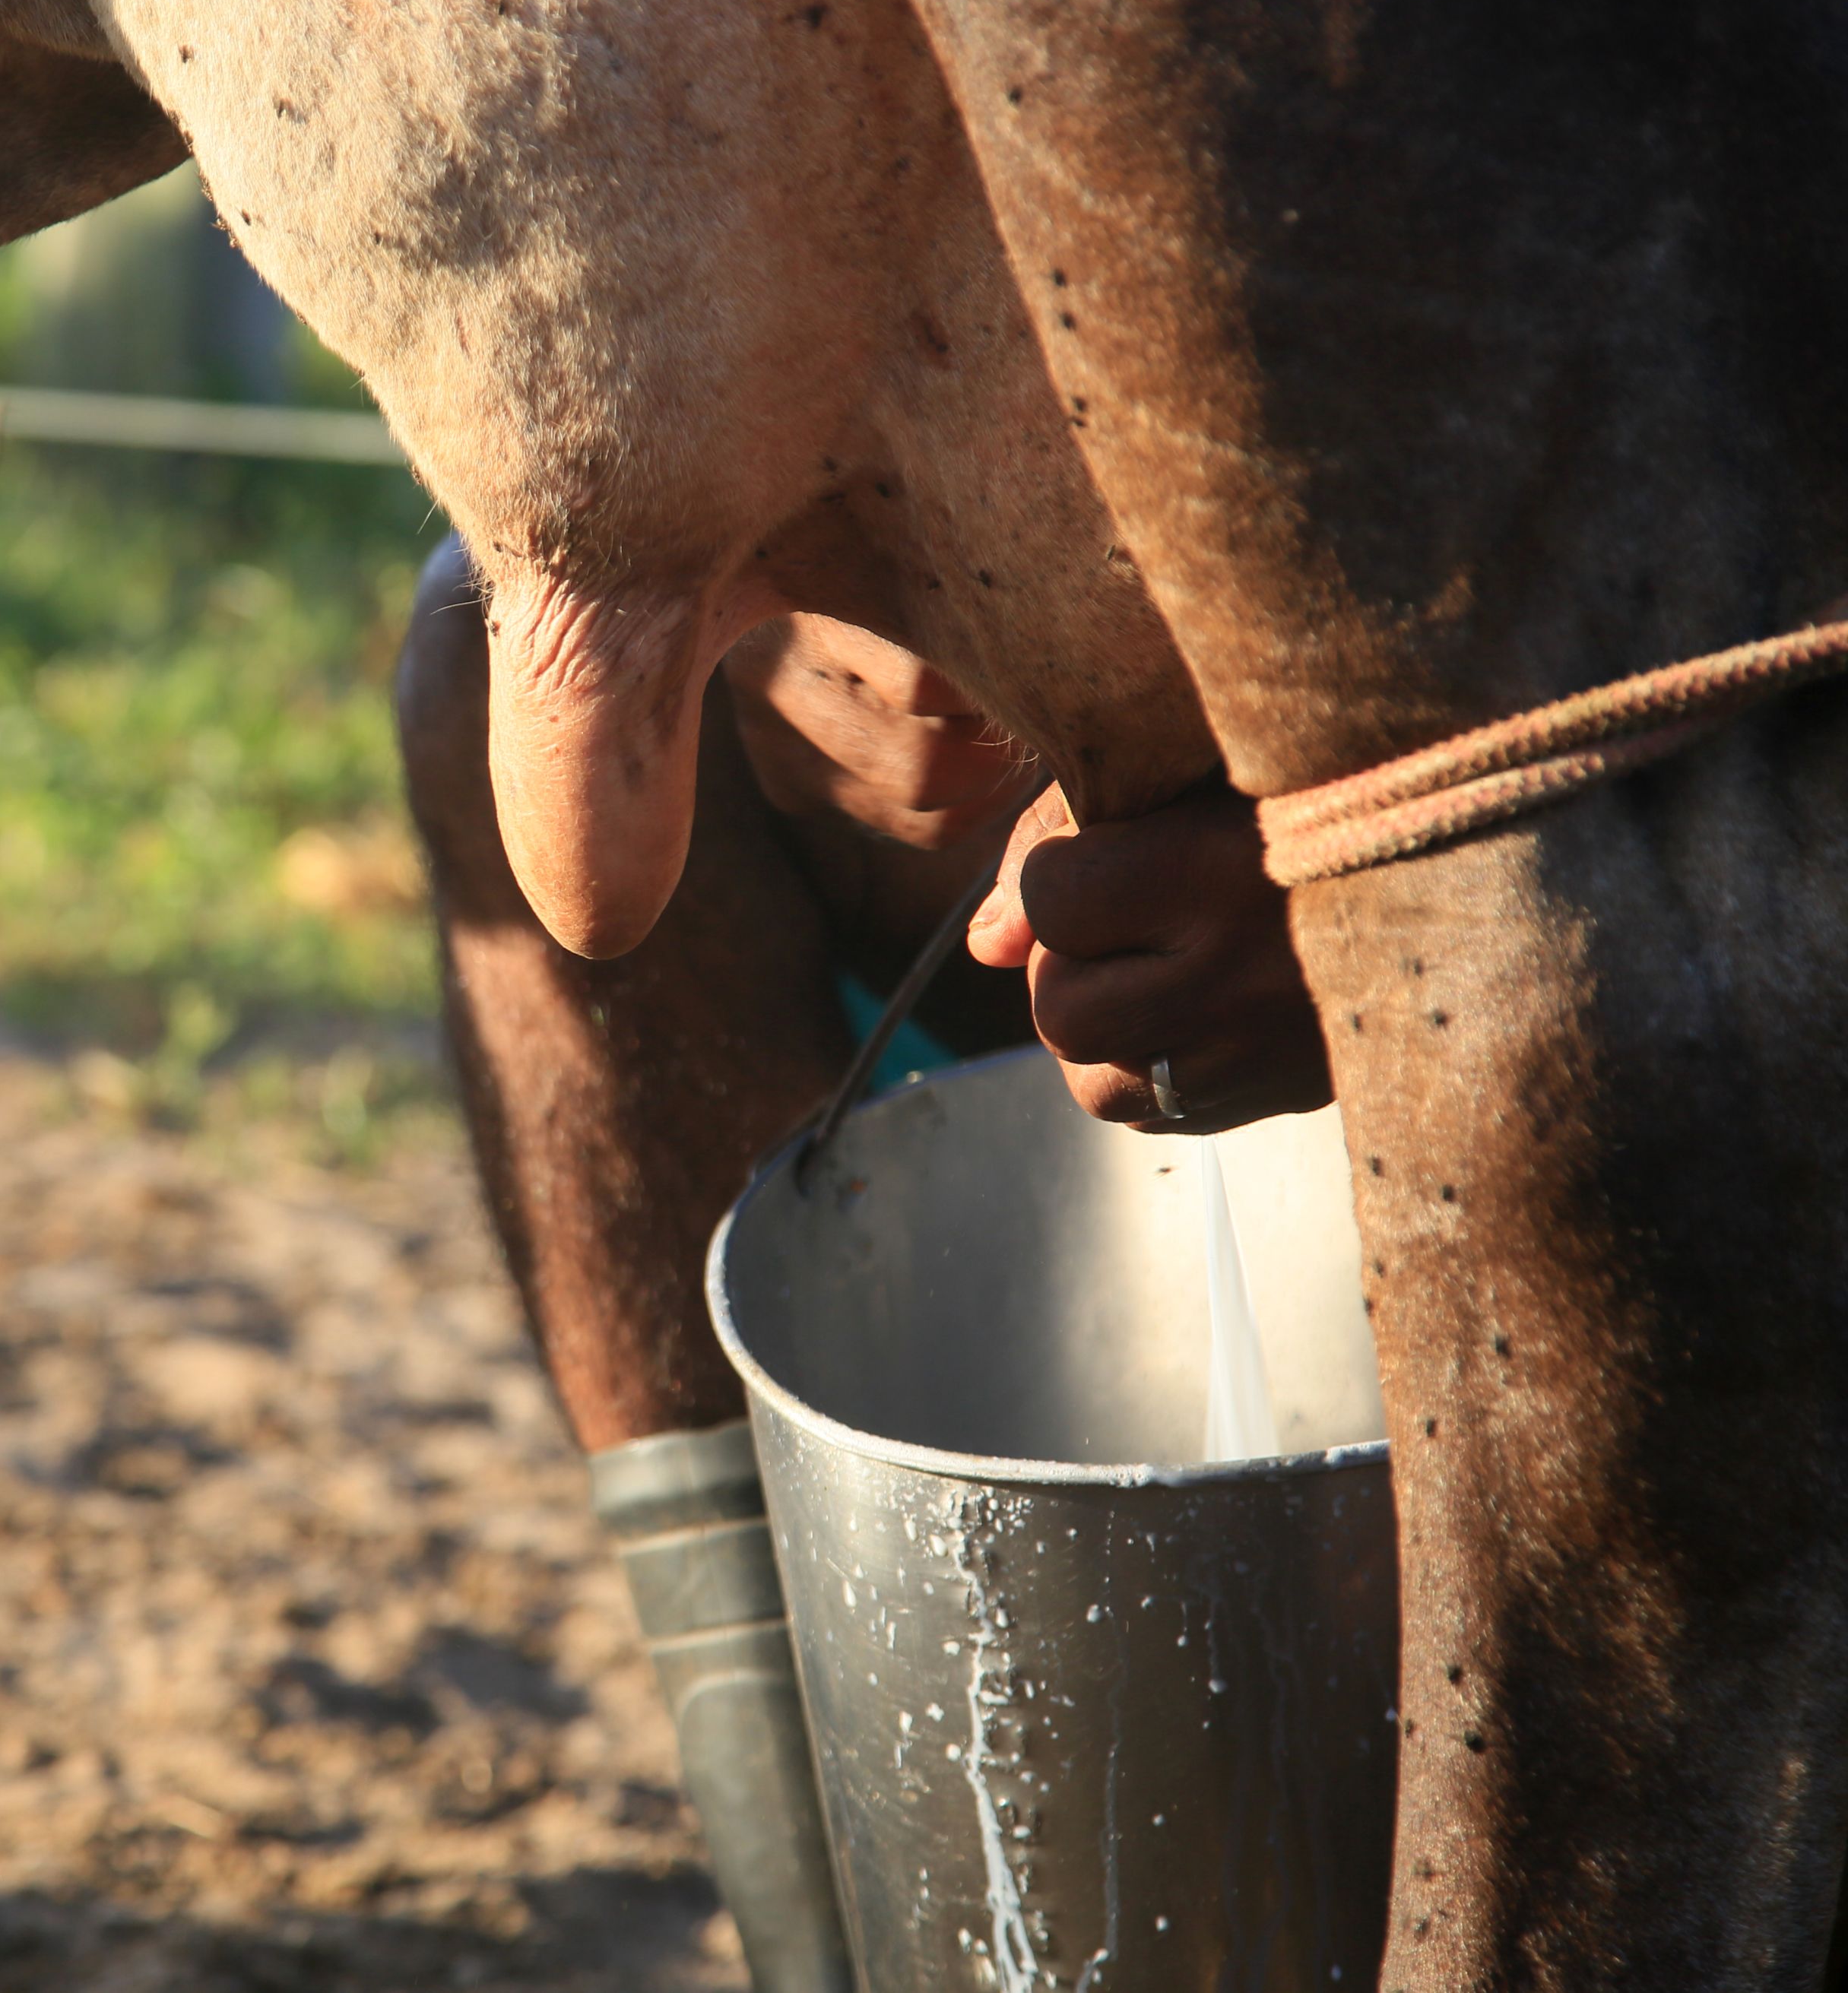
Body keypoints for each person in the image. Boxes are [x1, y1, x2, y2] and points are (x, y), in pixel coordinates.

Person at [392, 535, 1331, 1990]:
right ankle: (837, 1939)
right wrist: (737, 578)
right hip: (956, 842)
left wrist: (1384, 831)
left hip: (1445, 739)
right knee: (496, 662)